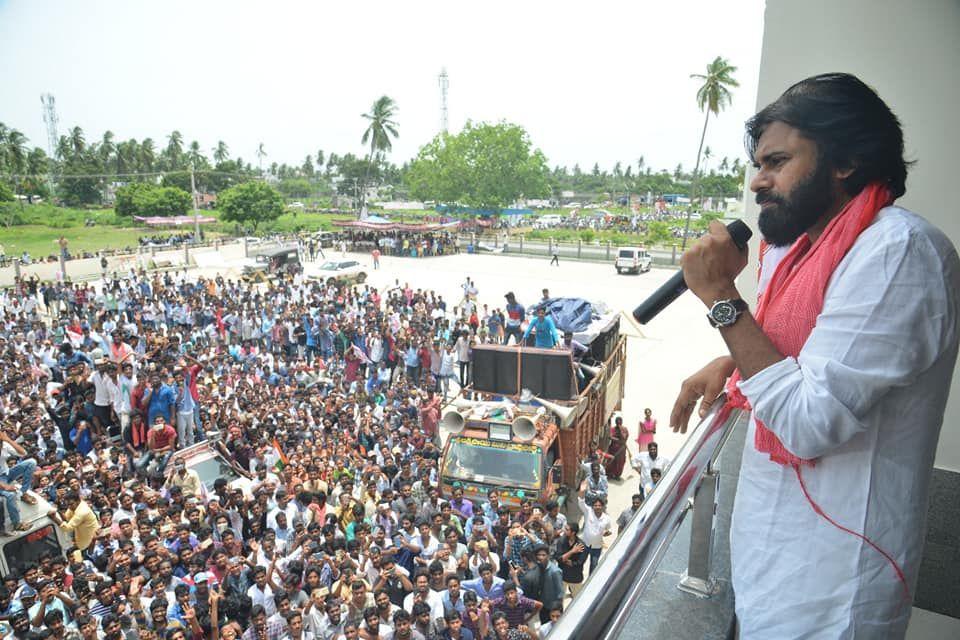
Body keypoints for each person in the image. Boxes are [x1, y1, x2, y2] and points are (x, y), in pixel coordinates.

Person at [670, 73, 960, 638]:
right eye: (758, 165)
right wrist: (732, 361)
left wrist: (724, 300)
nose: (758, 181)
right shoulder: (797, 253)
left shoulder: (897, 252)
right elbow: (803, 354)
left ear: (845, 158)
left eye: (777, 161)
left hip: (833, 594)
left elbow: (808, 421)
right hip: (769, 571)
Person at [0, 428, 37, 534]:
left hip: (6, 474)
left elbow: (23, 453)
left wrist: (8, 440)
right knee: (10, 496)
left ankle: (23, 493)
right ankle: (17, 523)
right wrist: (4, 486)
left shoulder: (5, 444)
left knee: (31, 462)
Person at [576, 479, 611, 575]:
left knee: (594, 566)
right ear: (593, 506)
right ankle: (576, 581)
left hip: (597, 547)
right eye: (595, 505)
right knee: (579, 563)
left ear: (602, 506)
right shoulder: (588, 512)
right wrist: (582, 491)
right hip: (585, 544)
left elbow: (608, 529)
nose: (597, 507)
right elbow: (581, 502)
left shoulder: (606, 518)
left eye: (599, 505)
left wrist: (606, 533)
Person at [603, 416, 628, 480]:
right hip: (613, 448)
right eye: (617, 422)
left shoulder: (624, 429)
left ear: (622, 422)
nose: (618, 423)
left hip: (621, 449)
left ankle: (617, 475)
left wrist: (620, 430)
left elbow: (624, 438)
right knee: (611, 461)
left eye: (620, 422)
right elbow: (610, 437)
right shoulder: (613, 429)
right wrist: (619, 440)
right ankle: (610, 474)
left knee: (620, 462)